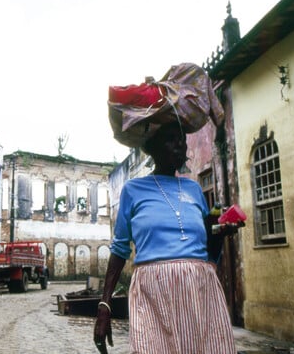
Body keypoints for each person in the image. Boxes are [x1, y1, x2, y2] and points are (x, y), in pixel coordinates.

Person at [93, 122, 237, 354]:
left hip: (199, 291)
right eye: (171, 139)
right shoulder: (133, 190)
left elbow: (208, 250)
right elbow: (119, 250)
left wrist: (221, 233)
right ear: (152, 147)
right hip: (153, 293)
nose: (180, 146)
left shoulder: (194, 189)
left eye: (182, 139)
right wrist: (104, 305)